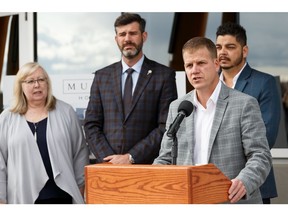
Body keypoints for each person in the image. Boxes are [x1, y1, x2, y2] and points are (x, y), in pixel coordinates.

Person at [153, 37, 272, 204]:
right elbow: (165, 158)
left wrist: (244, 181)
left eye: (201, 63)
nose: (194, 70)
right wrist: (151, 178)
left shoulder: (245, 104)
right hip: (189, 202)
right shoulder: (178, 107)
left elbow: (260, 155)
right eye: (189, 65)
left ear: (216, 64)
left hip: (232, 202)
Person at [84, 13, 178, 165]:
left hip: (147, 167)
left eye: (133, 33)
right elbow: (92, 124)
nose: (127, 39)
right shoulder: (102, 76)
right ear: (116, 39)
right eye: (122, 34)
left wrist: (131, 157)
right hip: (108, 169)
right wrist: (110, 159)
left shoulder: (164, 76)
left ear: (144, 36)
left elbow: (165, 126)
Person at [0, 62, 89, 204]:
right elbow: (0, 164)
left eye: (41, 79)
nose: (37, 85)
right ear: (20, 86)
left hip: (62, 198)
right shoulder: (6, 118)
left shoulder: (66, 112)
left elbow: (80, 153)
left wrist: (79, 190)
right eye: (30, 81)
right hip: (22, 200)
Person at [215, 22, 281, 204]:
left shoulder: (264, 83)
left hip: (253, 184)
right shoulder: (210, 85)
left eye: (230, 47)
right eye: (218, 47)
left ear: (244, 51)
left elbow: (267, 136)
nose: (222, 52)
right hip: (213, 184)